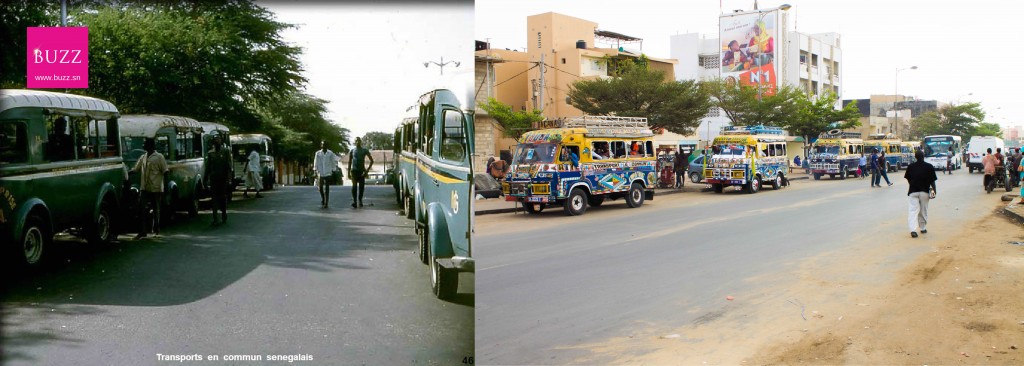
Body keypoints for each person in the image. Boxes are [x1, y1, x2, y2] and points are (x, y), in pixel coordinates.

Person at [132, 138, 168, 238]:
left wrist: (166, 187)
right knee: (141, 209)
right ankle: (143, 231)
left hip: (156, 188)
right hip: (145, 187)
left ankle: (156, 228)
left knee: (156, 209)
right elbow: (136, 169)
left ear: (150, 145)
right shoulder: (143, 157)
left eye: (145, 143)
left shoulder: (159, 157)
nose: (143, 145)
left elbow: (165, 172)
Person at [905, 150, 938, 238]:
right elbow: (932, 181)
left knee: (913, 211)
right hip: (924, 192)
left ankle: (913, 230)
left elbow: (908, 178)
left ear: (915, 157)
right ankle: (923, 228)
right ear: (923, 156)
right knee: (923, 210)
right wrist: (934, 191)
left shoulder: (911, 167)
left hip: (913, 191)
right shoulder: (929, 166)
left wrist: (912, 184)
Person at [204, 135, 232, 225]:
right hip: (214, 178)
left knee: (222, 198)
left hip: (223, 178)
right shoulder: (210, 153)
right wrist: (205, 178)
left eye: (219, 139)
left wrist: (229, 178)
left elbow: (228, 165)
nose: (217, 141)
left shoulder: (226, 151)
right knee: (214, 198)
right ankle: (215, 218)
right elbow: (208, 167)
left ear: (221, 141)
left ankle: (224, 214)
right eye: (215, 140)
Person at [348, 137, 373, 208]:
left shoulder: (364, 150)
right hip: (354, 171)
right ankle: (354, 201)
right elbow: (349, 162)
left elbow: (371, 161)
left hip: (362, 171)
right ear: (354, 142)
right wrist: (348, 173)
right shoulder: (352, 151)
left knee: (361, 187)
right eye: (356, 141)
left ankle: (360, 200)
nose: (357, 142)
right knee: (354, 186)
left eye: (359, 141)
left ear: (361, 142)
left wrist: (367, 171)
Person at [314, 141, 340, 208]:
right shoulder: (318, 153)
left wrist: (334, 171)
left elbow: (333, 162)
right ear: (321, 145)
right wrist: (315, 170)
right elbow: (315, 162)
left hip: (328, 172)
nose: (324, 146)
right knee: (320, 187)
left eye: (325, 144)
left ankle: (326, 202)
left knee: (327, 188)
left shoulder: (330, 153)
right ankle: (323, 198)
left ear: (327, 145)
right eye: (322, 144)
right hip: (320, 172)